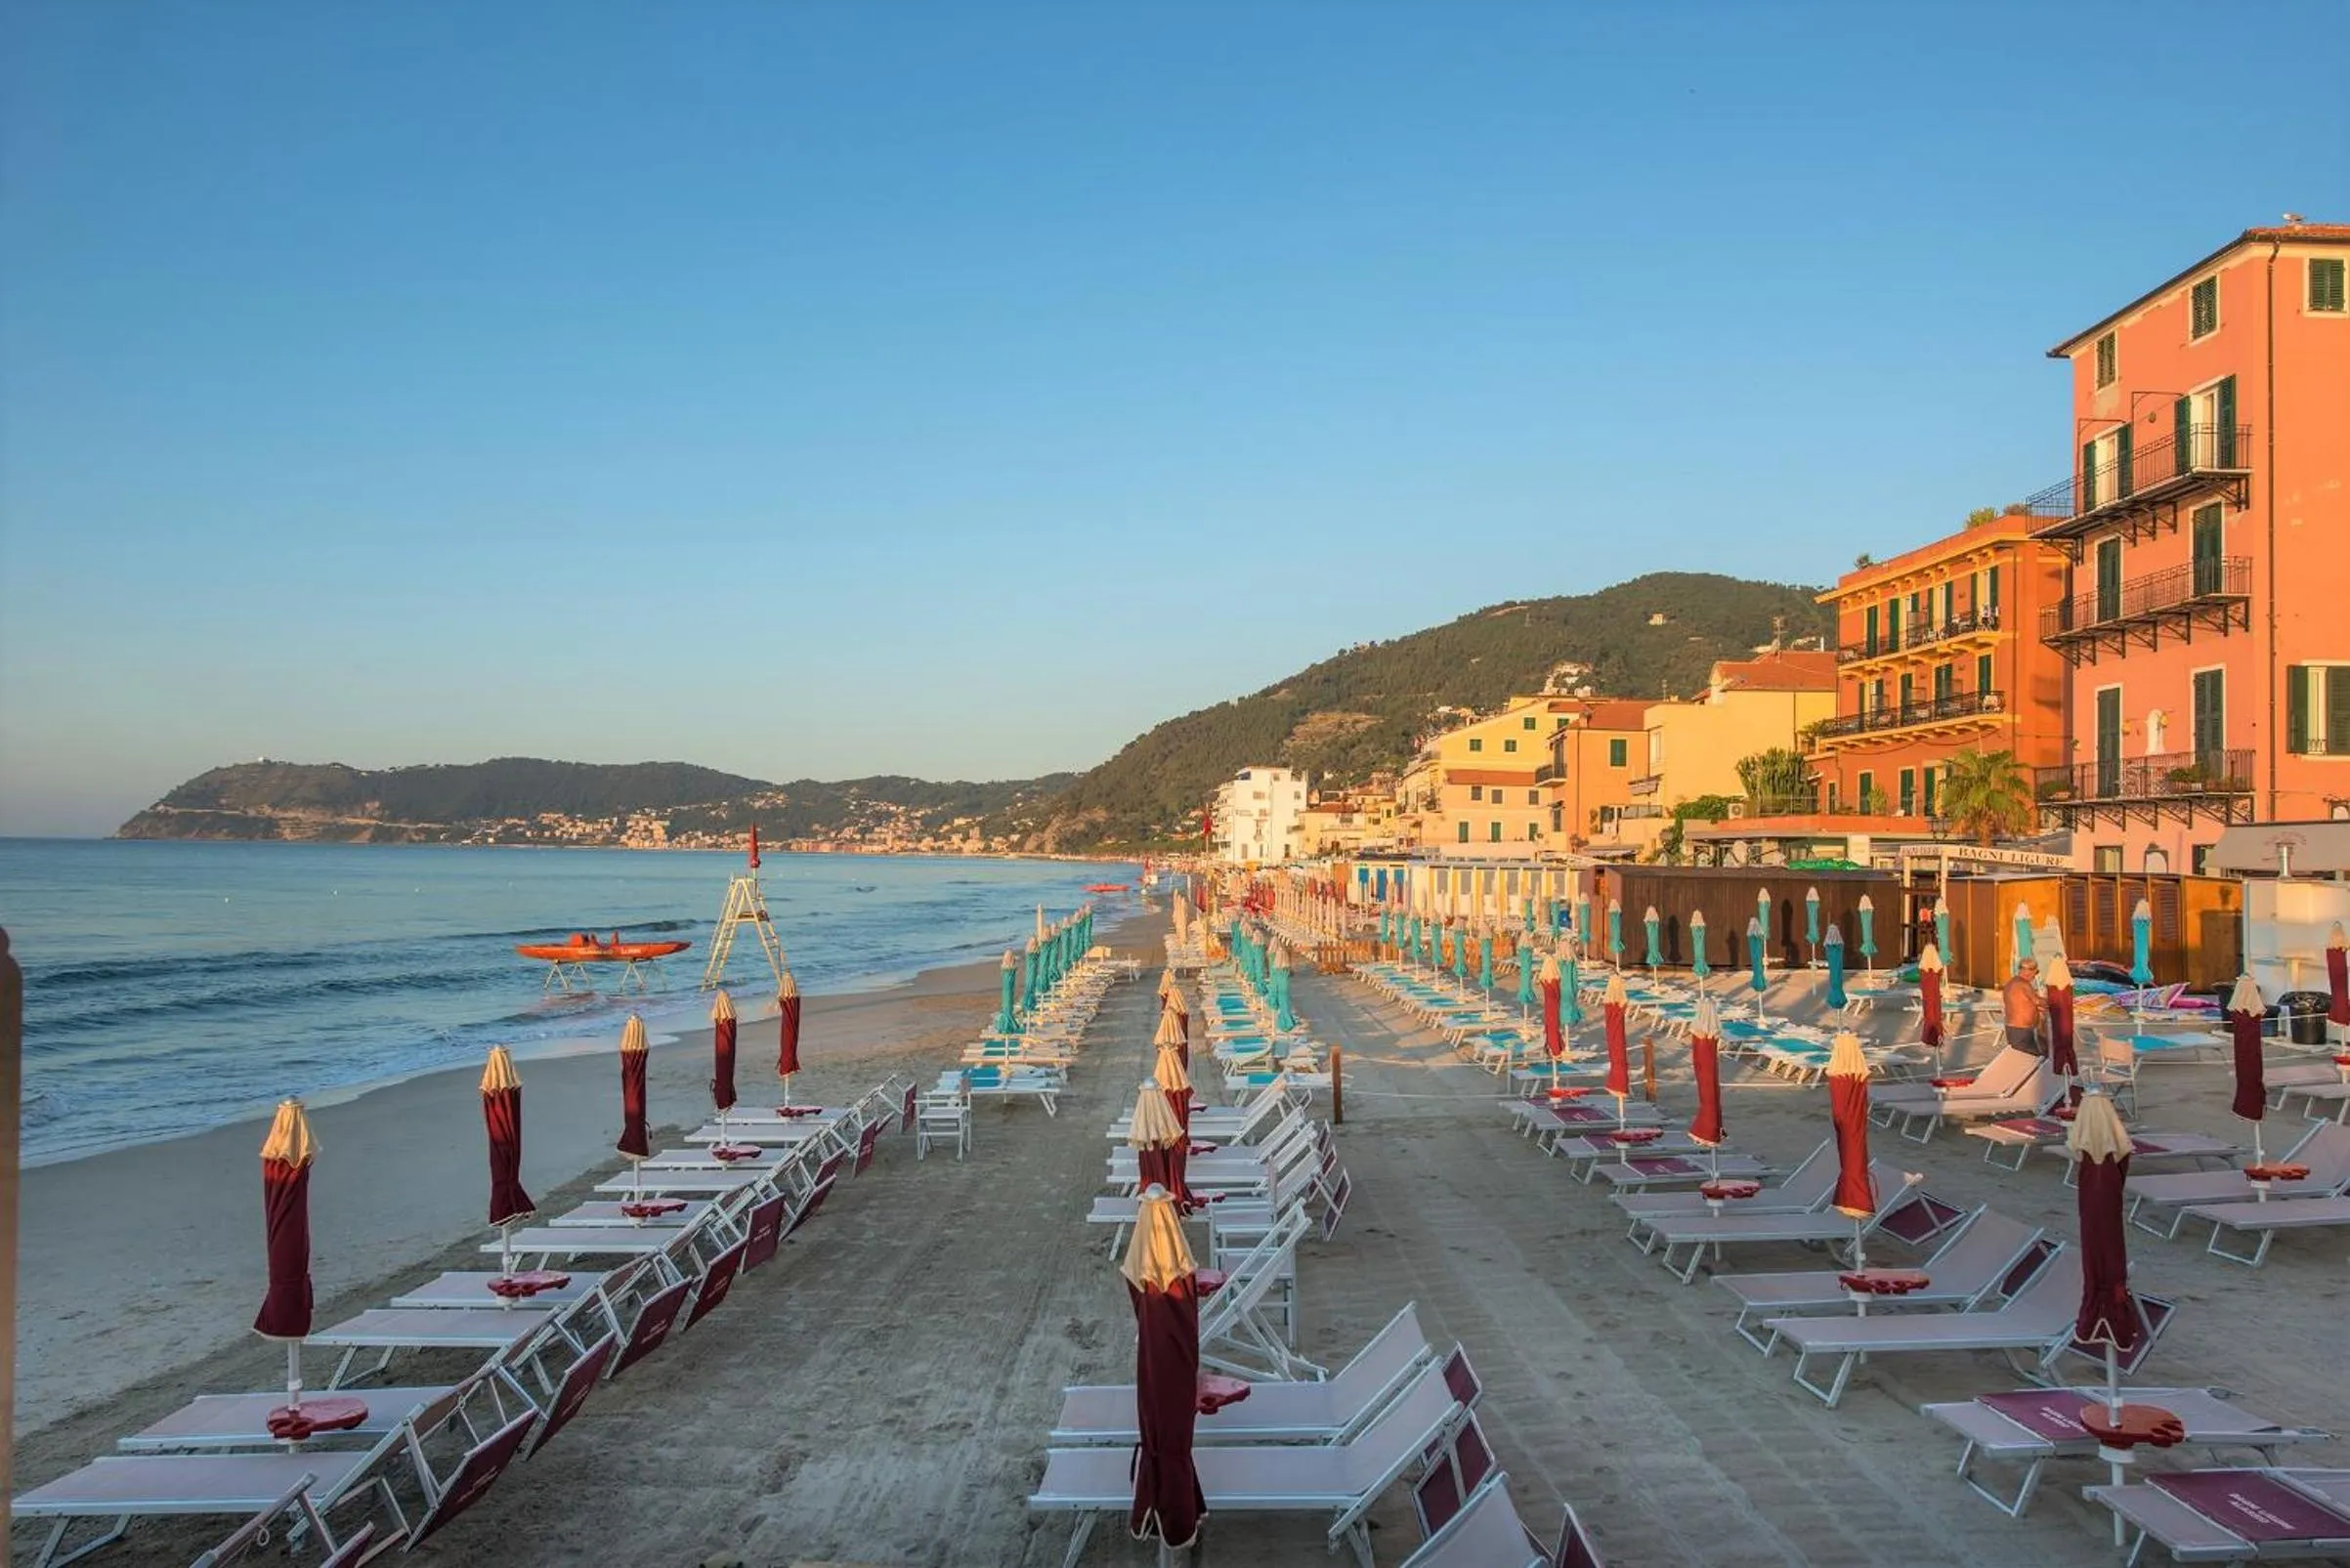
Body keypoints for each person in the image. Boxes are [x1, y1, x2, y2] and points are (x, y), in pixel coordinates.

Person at [2003, 958, 2046, 1056]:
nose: (2035, 976)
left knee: (2023, 1058)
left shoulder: (2013, 982)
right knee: (2029, 1058)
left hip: (2015, 1027)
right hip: (2021, 1029)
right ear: (2028, 971)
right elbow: (2037, 1001)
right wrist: (2054, 1002)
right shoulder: (2022, 984)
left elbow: (2024, 1002)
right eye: (2035, 973)